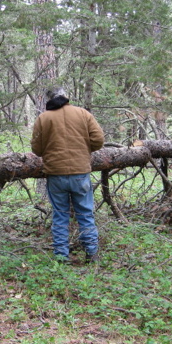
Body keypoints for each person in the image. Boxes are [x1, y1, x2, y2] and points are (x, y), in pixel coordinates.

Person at [31, 86, 105, 263]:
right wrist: (83, 151)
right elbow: (99, 140)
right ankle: (92, 254)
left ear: (48, 99)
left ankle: (61, 256)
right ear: (66, 97)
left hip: (55, 174)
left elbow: (37, 149)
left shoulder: (43, 118)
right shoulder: (82, 114)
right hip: (80, 172)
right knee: (85, 214)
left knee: (60, 215)